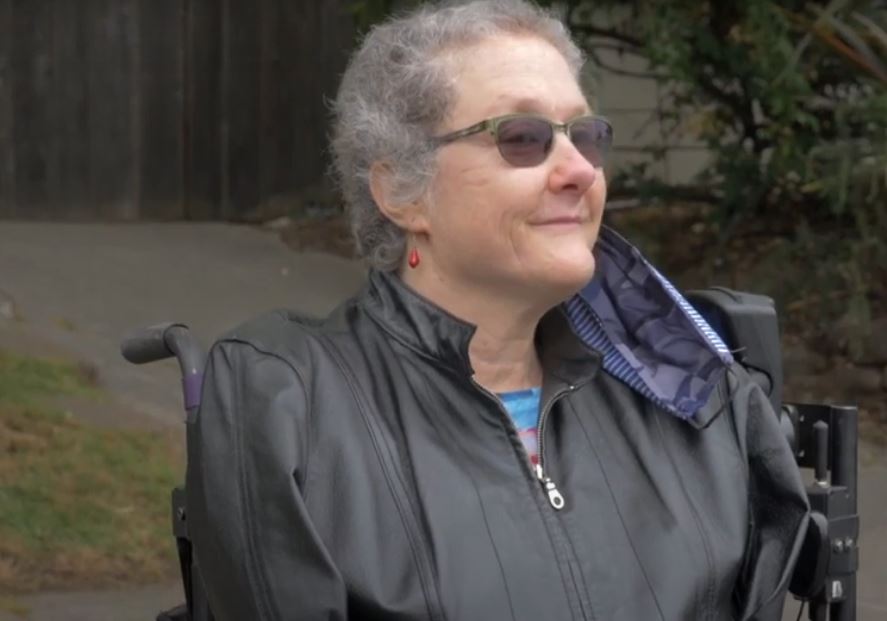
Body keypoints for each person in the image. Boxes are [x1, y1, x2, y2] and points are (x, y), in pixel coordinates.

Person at [186, 1, 809, 619]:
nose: (580, 171)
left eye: (587, 137)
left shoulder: (693, 390)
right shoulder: (288, 399)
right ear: (402, 192)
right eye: (522, 138)